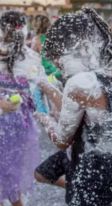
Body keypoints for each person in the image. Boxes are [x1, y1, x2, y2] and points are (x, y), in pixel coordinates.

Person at [35, 8, 112, 206]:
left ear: (84, 48)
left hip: (90, 187)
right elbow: (90, 111)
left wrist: (43, 117)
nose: (61, 68)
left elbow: (61, 140)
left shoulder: (82, 82)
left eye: (61, 60)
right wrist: (49, 88)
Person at [0, 11, 40, 206]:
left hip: (17, 123)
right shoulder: (29, 56)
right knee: (9, 172)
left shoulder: (30, 57)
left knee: (11, 172)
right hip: (13, 121)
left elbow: (33, 90)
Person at [31, 14, 62, 81]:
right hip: (57, 73)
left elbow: (33, 61)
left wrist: (31, 77)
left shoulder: (36, 40)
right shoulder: (53, 38)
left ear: (35, 25)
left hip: (45, 73)